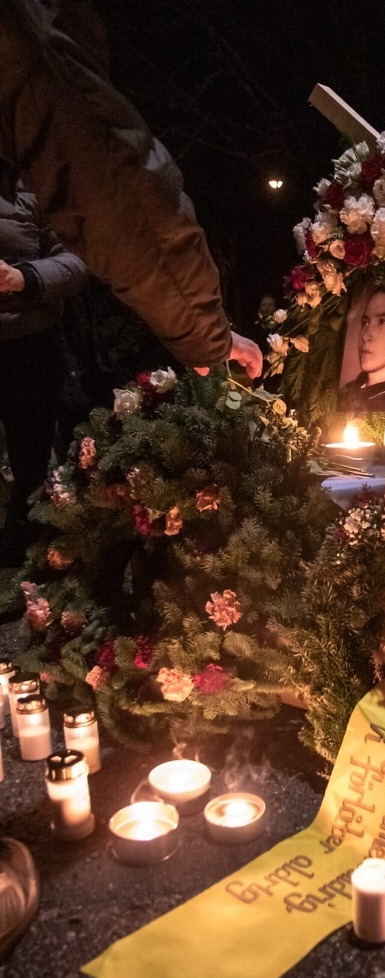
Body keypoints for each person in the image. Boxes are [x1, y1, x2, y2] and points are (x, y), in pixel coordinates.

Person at [0, 0, 261, 380]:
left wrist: (25, 278)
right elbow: (114, 192)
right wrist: (204, 334)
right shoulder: (26, 34)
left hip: (32, 346)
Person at [0, 159, 89, 566]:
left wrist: (21, 278)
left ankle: (25, 557)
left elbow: (75, 260)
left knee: (31, 462)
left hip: (30, 346)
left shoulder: (34, 184)